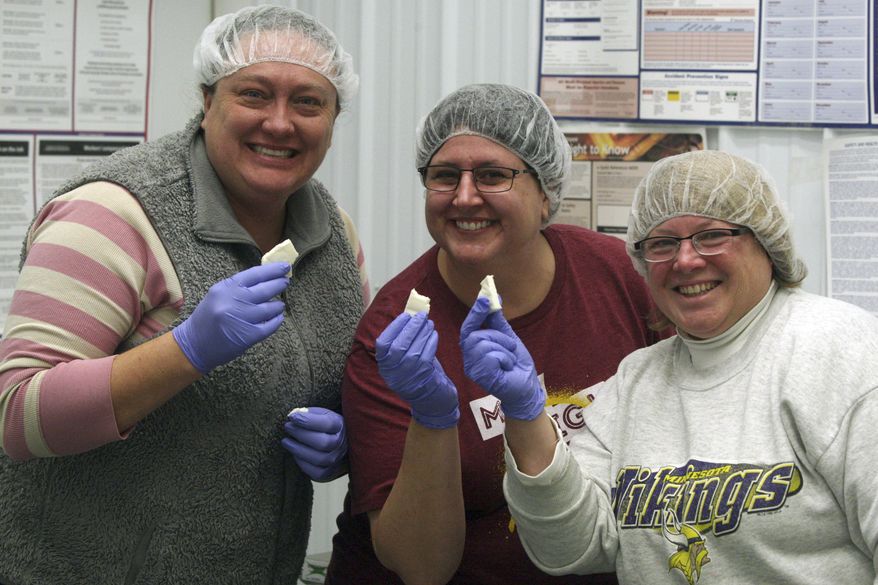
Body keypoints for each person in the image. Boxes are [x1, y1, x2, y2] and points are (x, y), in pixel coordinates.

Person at [0, 6, 367, 584]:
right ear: (206, 101)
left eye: (308, 102)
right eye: (253, 93)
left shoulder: (335, 236)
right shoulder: (113, 213)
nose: (279, 122)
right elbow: (19, 416)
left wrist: (346, 438)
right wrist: (185, 351)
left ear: (334, 116)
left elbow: (331, 388)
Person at [326, 83, 668, 585]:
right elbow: (421, 567)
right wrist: (432, 419)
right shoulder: (396, 333)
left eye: (493, 175)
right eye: (445, 176)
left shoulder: (620, 278)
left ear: (547, 192)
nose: (465, 197)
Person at [486, 150, 878, 584]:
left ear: (766, 242)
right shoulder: (636, 381)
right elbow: (570, 548)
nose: (686, 261)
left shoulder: (846, 353)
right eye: (662, 244)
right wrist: (524, 416)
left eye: (711, 236)